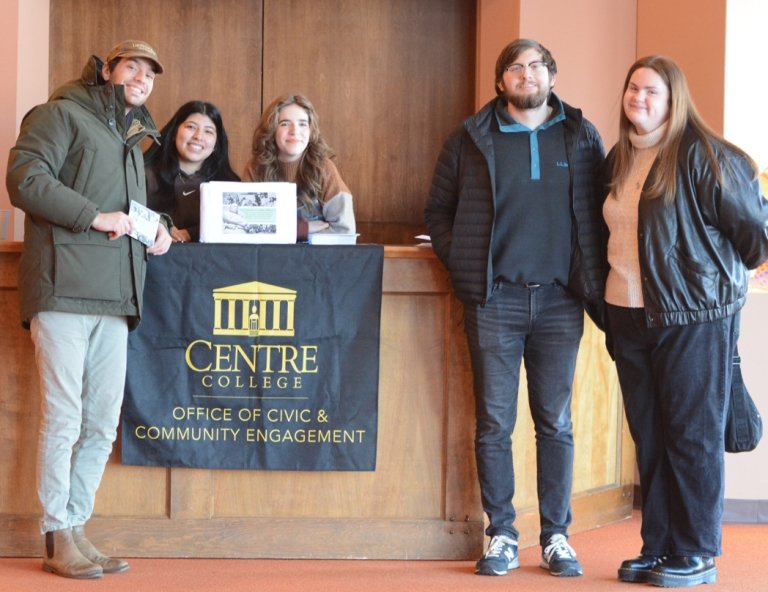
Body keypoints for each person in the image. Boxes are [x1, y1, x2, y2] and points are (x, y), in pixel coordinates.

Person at [424, 38, 606, 578]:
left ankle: (556, 537)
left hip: (559, 302)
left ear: (552, 74)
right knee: (493, 424)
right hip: (494, 300)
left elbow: (601, 212)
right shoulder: (470, 138)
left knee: (555, 423)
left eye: (535, 66)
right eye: (514, 67)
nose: (526, 74)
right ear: (501, 80)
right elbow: (438, 212)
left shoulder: (579, 135)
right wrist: (462, 262)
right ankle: (502, 533)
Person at [6, 40, 171, 579]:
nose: (141, 78)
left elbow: (125, 212)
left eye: (149, 73)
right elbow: (25, 180)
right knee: (66, 417)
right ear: (107, 70)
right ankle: (56, 535)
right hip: (63, 289)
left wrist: (157, 230)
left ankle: (77, 526)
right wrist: (94, 217)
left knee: (101, 422)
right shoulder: (61, 113)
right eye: (132, 67)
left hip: (116, 296)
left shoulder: (131, 137)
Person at [603, 55, 768, 588]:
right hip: (628, 316)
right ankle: (658, 546)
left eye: (652, 91)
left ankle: (697, 551)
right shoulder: (619, 158)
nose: (640, 99)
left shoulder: (702, 155)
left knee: (691, 436)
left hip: (691, 318)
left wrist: (712, 282)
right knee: (649, 437)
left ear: (674, 101)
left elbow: (753, 235)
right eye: (634, 89)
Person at [243, 94, 355, 240]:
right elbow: (246, 228)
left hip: (315, 260)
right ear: (271, 130)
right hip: (269, 260)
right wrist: (304, 228)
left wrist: (278, 231)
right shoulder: (254, 169)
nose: (294, 131)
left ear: (311, 130)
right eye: (284, 123)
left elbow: (345, 232)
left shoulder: (324, 168)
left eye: (302, 124)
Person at [144, 100, 240, 243]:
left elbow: (237, 228)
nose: (198, 136)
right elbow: (126, 214)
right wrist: (159, 225)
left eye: (208, 131)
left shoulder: (230, 185)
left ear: (216, 144)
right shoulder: (143, 174)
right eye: (191, 127)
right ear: (174, 133)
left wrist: (191, 233)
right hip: (154, 260)